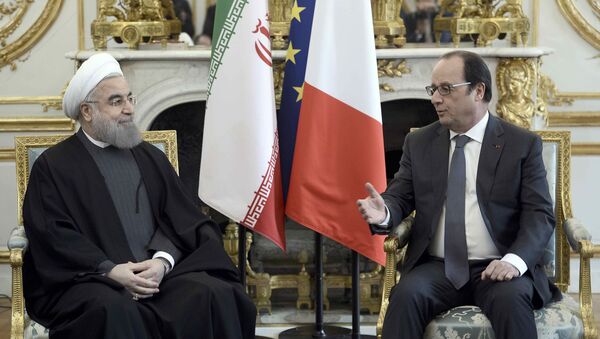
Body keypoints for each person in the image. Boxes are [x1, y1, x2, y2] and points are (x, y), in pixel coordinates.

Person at [22, 53, 256, 339]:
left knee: (214, 293)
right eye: (116, 101)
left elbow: (184, 220)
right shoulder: (55, 165)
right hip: (93, 280)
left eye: (130, 98)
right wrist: (110, 270)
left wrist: (162, 262)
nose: (129, 109)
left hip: (159, 277)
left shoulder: (149, 157)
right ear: (86, 111)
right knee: (112, 311)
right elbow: (53, 234)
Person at [357, 50, 560, 338]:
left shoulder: (521, 144)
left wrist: (513, 262)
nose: (435, 98)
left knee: (511, 301)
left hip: (499, 266)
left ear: (478, 91)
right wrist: (385, 212)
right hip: (437, 268)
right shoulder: (419, 142)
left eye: (446, 89)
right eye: (433, 89)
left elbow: (539, 215)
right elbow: (400, 196)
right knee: (405, 296)